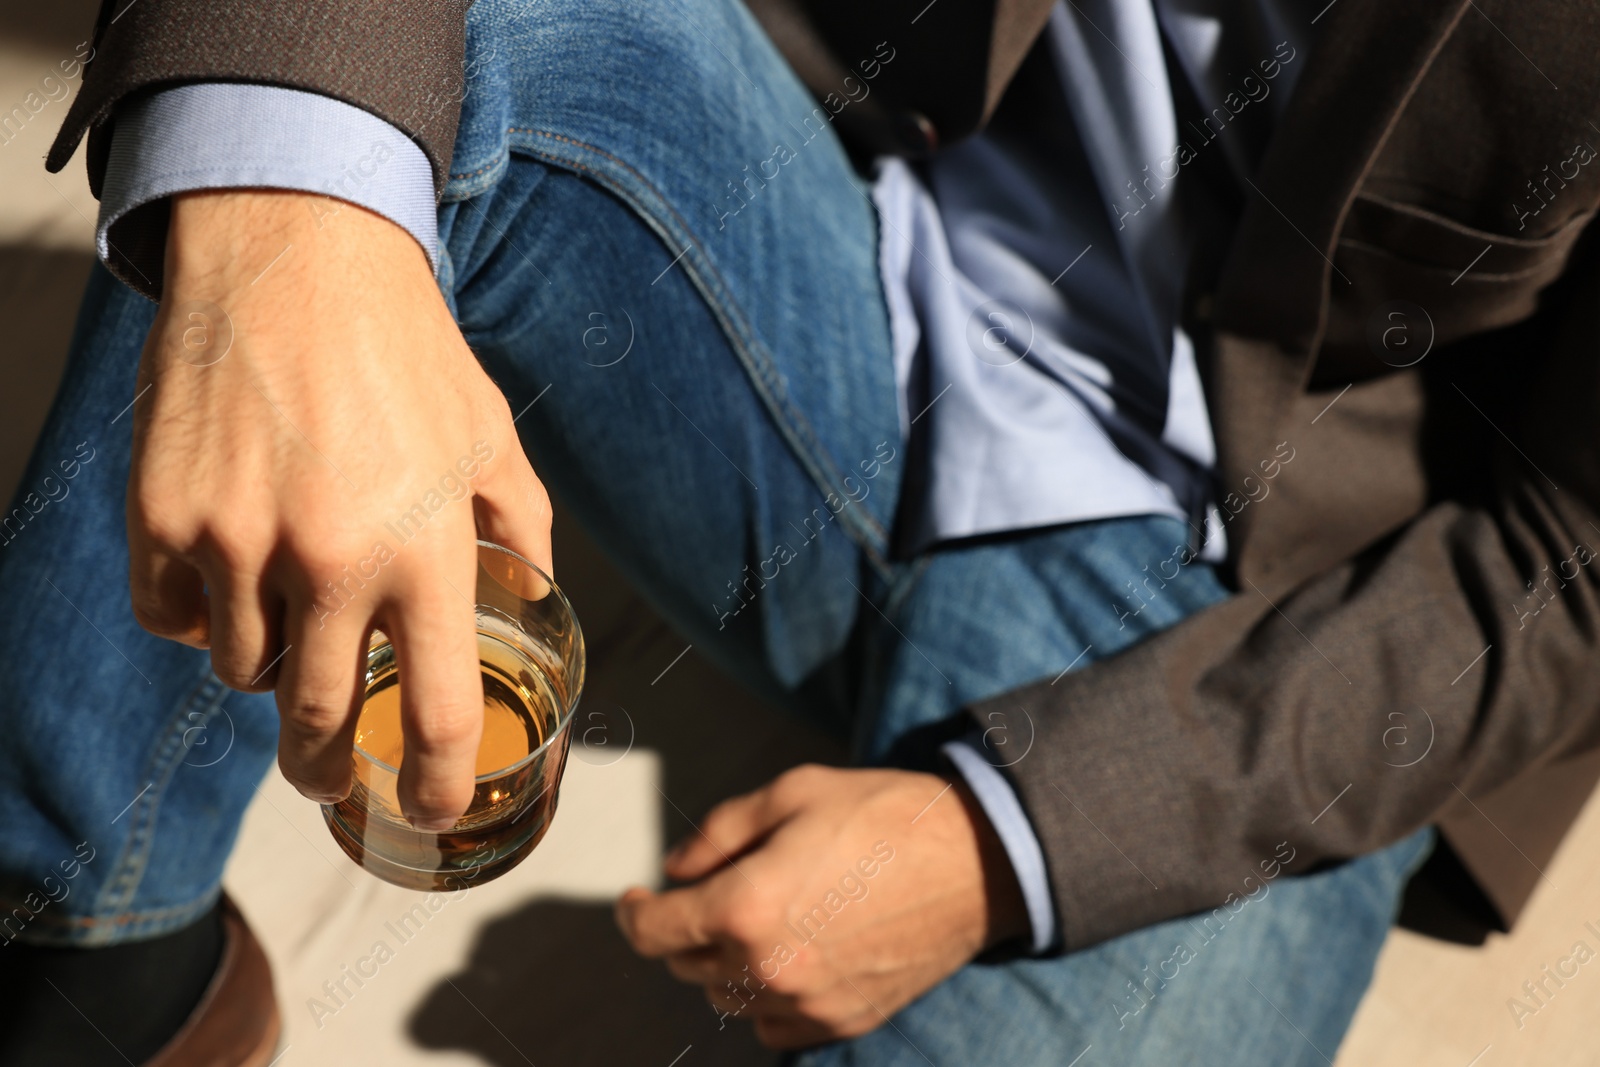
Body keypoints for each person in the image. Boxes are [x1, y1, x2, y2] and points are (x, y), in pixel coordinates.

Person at [3, 0, 1599, 1063]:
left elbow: (1573, 568)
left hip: (1280, 605)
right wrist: (292, 247)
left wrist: (1012, 845)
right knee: (322, 105)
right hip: (862, 232)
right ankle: (97, 944)